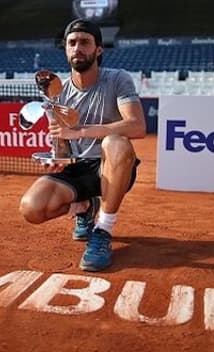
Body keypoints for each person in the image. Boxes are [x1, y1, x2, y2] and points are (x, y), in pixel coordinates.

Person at [19, 18, 146, 272]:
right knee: (31, 209)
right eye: (72, 43)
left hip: (112, 166)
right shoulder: (57, 92)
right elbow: (63, 143)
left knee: (116, 142)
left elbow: (137, 126)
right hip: (78, 167)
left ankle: (103, 230)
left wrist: (82, 132)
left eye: (85, 42)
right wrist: (58, 156)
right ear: (66, 50)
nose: (78, 48)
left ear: (98, 50)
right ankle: (85, 206)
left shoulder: (118, 79)